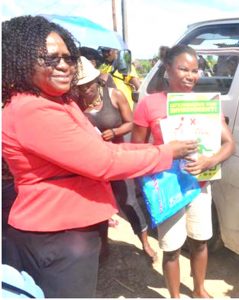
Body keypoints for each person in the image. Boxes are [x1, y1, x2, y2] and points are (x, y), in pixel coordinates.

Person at [2, 16, 198, 298]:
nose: (63, 64)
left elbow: (105, 150)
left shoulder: (57, 103)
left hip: (69, 228)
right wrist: (166, 153)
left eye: (68, 57)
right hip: (57, 232)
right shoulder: (32, 110)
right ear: (21, 59)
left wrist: (157, 151)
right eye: (50, 57)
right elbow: (104, 162)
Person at [131, 45, 235, 298]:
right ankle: (175, 295)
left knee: (200, 241)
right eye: (183, 69)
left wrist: (210, 162)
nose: (191, 75)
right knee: (172, 248)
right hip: (168, 188)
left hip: (199, 185)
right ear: (167, 68)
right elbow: (136, 149)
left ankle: (199, 289)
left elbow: (229, 144)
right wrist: (163, 157)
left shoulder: (206, 103)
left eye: (195, 70)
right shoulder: (149, 104)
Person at [72, 56, 157, 262]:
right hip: (92, 161)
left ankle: (145, 242)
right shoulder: (75, 103)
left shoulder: (115, 95)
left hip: (118, 158)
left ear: (97, 81)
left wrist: (114, 130)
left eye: (88, 85)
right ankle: (103, 247)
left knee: (128, 200)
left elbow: (132, 123)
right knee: (98, 205)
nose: (85, 91)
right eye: (80, 87)